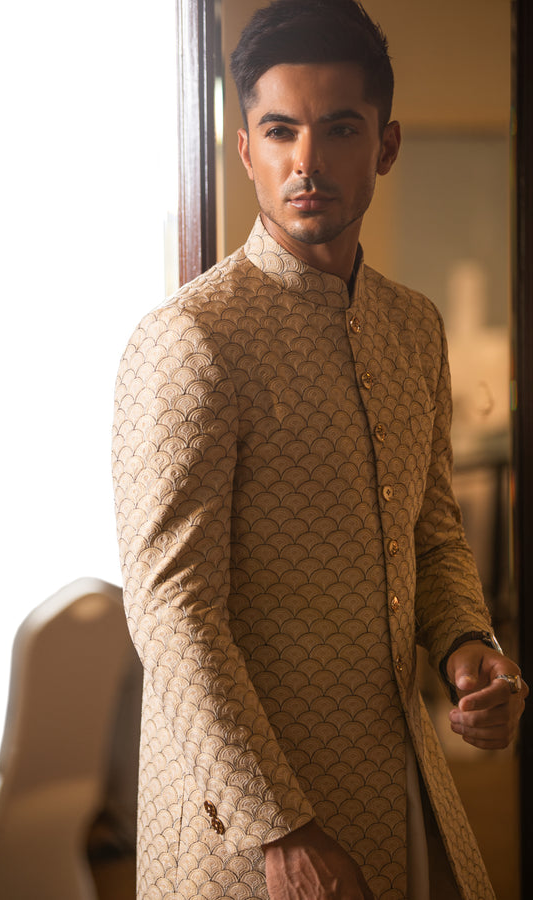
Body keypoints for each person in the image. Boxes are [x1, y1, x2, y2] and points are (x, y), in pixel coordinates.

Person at [112, 2, 527, 898]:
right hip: (250, 828)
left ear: (385, 145)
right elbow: (171, 616)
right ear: (246, 150)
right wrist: (278, 825)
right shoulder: (192, 340)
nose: (307, 162)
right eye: (281, 130)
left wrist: (467, 645)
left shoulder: (412, 327)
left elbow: (433, 532)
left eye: (339, 129)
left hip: (399, 779)